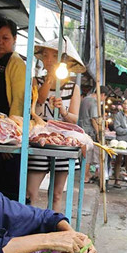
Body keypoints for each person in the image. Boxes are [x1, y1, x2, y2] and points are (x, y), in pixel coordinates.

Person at [26, 38, 83, 211]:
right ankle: (29, 228)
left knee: (57, 194)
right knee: (30, 192)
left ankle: (53, 229)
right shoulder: (36, 81)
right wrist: (50, 79)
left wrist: (63, 112)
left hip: (63, 142)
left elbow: (74, 119)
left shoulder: (74, 88)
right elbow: (39, 101)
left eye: (54, 56)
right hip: (40, 139)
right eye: (45, 55)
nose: (49, 60)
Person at [0, 17, 26, 200]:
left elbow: (19, 100)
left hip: (8, 135)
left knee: (10, 188)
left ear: (15, 39)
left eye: (5, 38)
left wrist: (10, 137)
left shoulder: (16, 63)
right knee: (0, 183)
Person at [78, 86, 108, 183]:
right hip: (89, 132)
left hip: (81, 129)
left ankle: (86, 175)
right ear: (102, 95)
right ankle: (85, 177)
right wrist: (99, 133)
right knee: (88, 155)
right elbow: (94, 120)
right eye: (104, 97)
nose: (103, 100)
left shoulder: (85, 99)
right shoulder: (94, 102)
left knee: (84, 154)